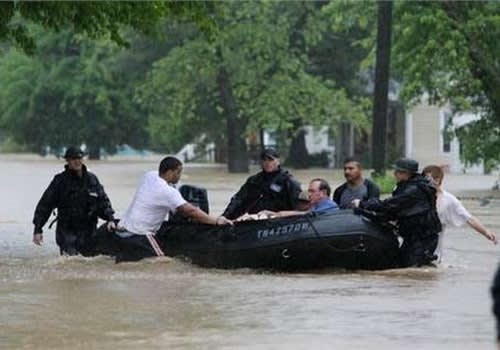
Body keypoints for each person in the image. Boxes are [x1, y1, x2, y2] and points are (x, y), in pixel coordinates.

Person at [114, 156, 232, 262]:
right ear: (170, 172)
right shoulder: (167, 192)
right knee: (164, 263)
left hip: (123, 229)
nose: (179, 176)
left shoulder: (149, 176)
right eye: (178, 172)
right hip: (141, 233)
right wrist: (216, 221)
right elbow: (190, 211)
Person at [352, 158, 442, 267]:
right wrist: (364, 212)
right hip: (413, 237)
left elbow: (389, 205)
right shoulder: (408, 186)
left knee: (414, 268)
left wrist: (362, 204)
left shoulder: (414, 190)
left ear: (406, 174)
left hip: (423, 238)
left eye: (397, 172)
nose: (394, 174)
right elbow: (391, 213)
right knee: (400, 265)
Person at [32, 146, 115, 256]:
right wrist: (38, 229)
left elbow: (103, 201)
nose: (77, 161)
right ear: (68, 161)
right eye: (73, 159)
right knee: (70, 262)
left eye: (79, 158)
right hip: (67, 231)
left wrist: (110, 219)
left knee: (90, 263)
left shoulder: (91, 179)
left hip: (88, 230)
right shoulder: (60, 181)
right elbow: (45, 204)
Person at [422, 165, 497, 262]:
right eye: (423, 179)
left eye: (427, 179)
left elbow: (469, 218)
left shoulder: (449, 200)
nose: (424, 182)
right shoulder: (417, 196)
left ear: (437, 180)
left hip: (434, 252)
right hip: (412, 248)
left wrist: (486, 232)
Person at [222, 148, 302, 220]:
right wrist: (224, 217)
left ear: (278, 161)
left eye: (270, 160)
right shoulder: (254, 181)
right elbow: (238, 199)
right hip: (255, 221)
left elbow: (300, 208)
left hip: (279, 222)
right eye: (264, 160)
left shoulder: (289, 182)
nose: (267, 163)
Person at [258, 178, 339, 218]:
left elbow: (306, 214)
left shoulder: (330, 206)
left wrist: (277, 214)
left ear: (323, 193)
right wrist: (273, 213)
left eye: (312, 191)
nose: (309, 194)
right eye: (309, 191)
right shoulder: (316, 206)